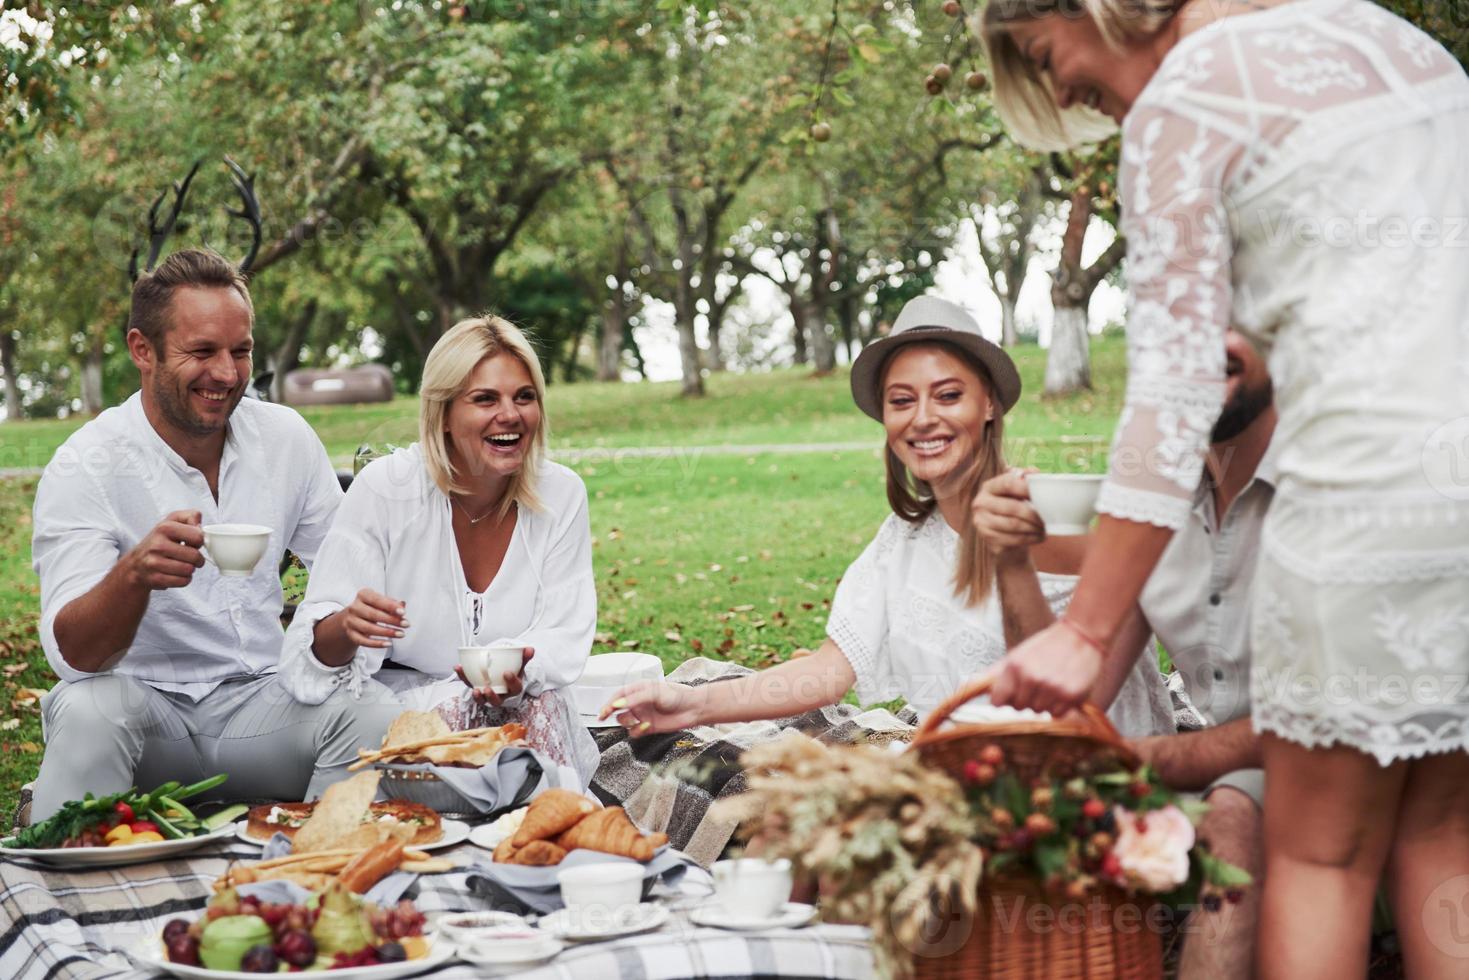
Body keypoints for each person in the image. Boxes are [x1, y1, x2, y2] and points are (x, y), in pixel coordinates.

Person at [977, 2, 1469, 976]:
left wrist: (1085, 631)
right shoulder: (1395, 42)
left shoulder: (1184, 99)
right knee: (1441, 838)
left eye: (1044, 55)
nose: (1065, 88)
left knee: (1320, 856)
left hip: (1354, 506)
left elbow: (1174, 386)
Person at [600, 295, 1173, 738]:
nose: (923, 419)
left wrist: (1012, 558)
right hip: (964, 769)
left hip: (1079, 778)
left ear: (989, 404)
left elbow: (1074, 692)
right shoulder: (903, 540)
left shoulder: (1046, 512)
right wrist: (693, 705)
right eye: (902, 401)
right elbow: (831, 670)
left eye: (948, 396)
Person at [29, 248, 399, 821]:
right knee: (86, 711)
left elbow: (346, 565)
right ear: (142, 351)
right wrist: (134, 577)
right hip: (143, 713)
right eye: (202, 352)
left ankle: (309, 873)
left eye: (241, 351)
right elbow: (74, 656)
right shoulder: (87, 465)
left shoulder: (285, 439)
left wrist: (352, 614)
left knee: (372, 713)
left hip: (260, 704)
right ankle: (72, 892)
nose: (226, 374)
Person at [974, 328, 1275, 980]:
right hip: (1220, 761)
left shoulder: (1331, 483)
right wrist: (1008, 558)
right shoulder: (1147, 502)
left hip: (1353, 759)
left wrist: (1157, 759)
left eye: (1228, 308)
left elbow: (1327, 716)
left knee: (1233, 807)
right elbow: (1072, 702)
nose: (1195, 338)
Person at [277, 315, 599, 782]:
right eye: (485, 399)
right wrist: (347, 626)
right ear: (444, 414)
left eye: (524, 397)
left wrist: (516, 671)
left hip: (518, 707)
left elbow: (564, 630)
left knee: (540, 702)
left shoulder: (561, 494)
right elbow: (309, 659)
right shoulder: (387, 489)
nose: (510, 414)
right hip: (397, 709)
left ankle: (542, 833)